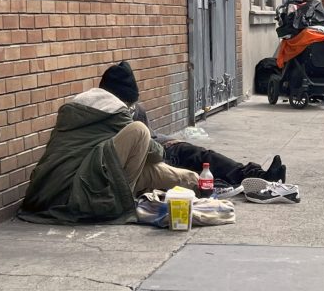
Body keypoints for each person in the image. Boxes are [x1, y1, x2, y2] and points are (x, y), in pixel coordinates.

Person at [19, 62, 199, 224]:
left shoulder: (76, 109)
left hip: (47, 193)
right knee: (140, 131)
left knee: (156, 171)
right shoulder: (115, 113)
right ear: (123, 100)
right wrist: (161, 150)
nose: (131, 110)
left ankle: (196, 182)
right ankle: (122, 203)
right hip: (75, 193)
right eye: (130, 106)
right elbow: (154, 151)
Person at [131, 102, 286, 184]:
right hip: (162, 153)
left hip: (168, 146)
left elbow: (150, 135)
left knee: (207, 157)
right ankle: (256, 178)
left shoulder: (135, 108)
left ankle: (259, 175)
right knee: (205, 166)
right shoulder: (123, 115)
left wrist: (170, 141)